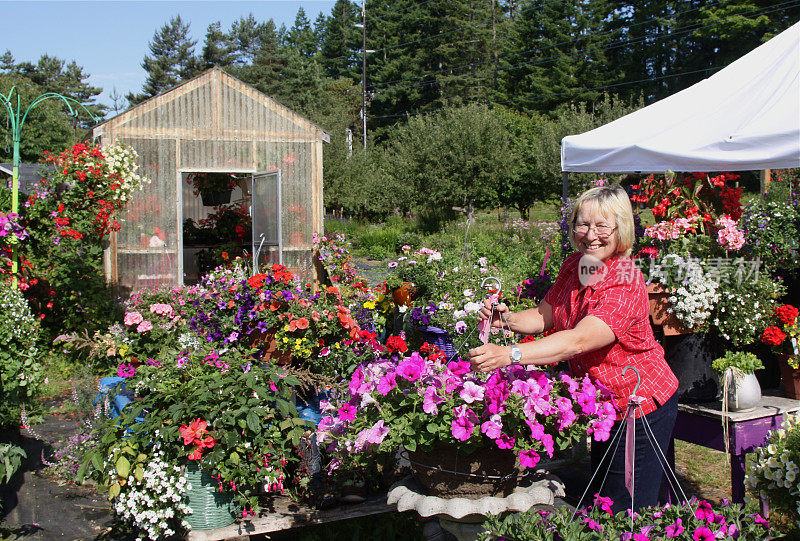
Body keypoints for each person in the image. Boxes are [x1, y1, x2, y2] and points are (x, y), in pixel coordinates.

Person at [468, 183, 678, 513]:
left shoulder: (625, 279)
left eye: (602, 225)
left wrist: (509, 354)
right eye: (583, 223)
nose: (590, 234)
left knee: (628, 510)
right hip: (604, 405)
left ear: (621, 228)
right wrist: (504, 320)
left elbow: (579, 340)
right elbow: (543, 315)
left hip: (638, 403)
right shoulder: (576, 265)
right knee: (605, 501)